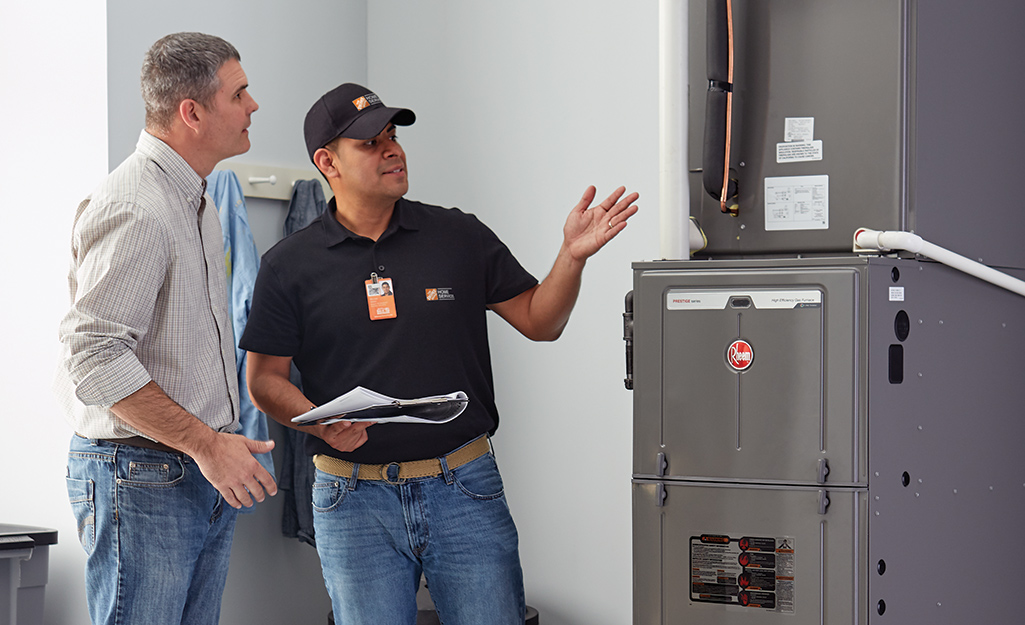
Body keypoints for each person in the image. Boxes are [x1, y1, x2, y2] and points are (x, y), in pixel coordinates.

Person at [241, 83, 638, 625]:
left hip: (463, 488)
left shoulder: (458, 235)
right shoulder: (289, 264)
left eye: (393, 136)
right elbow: (263, 379)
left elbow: (540, 321)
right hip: (351, 499)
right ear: (326, 162)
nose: (392, 150)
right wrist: (319, 424)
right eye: (369, 143)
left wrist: (571, 258)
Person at [54, 32, 276, 625]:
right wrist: (208, 446)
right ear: (192, 112)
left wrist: (215, 447)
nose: (254, 105)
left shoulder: (195, 200)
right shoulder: (136, 205)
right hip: (143, 476)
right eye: (240, 93)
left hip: (186, 471)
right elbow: (95, 357)